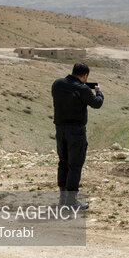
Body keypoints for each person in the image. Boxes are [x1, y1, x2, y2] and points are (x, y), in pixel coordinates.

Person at [51, 62, 103, 210]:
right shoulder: (83, 89)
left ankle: (63, 198)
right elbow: (97, 104)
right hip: (76, 131)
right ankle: (72, 201)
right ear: (85, 75)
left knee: (63, 162)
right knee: (75, 165)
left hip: (60, 129)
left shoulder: (57, 84)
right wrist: (98, 92)